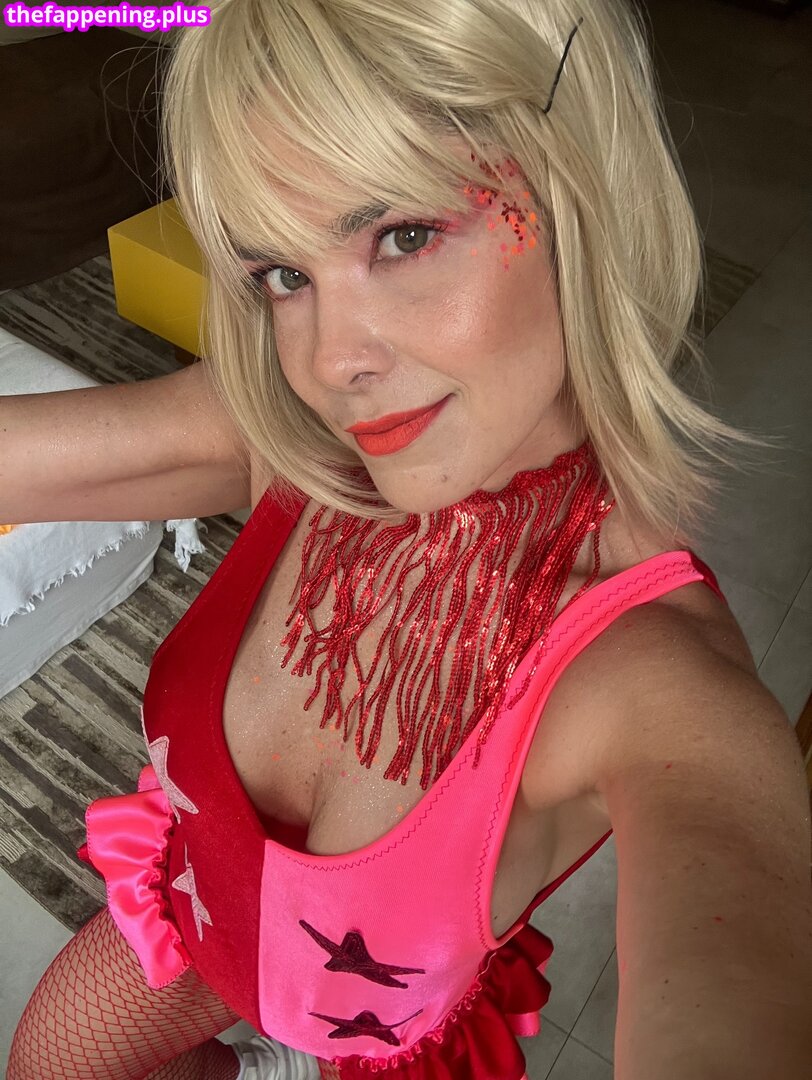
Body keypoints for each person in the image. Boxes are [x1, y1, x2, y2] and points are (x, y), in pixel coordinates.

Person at [6, 0, 811, 1078]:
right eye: (283, 275)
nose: (330, 362)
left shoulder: (654, 681)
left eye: (404, 235)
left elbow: (729, 974)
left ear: (581, 194)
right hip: (193, 925)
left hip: (375, 1036)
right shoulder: (288, 441)